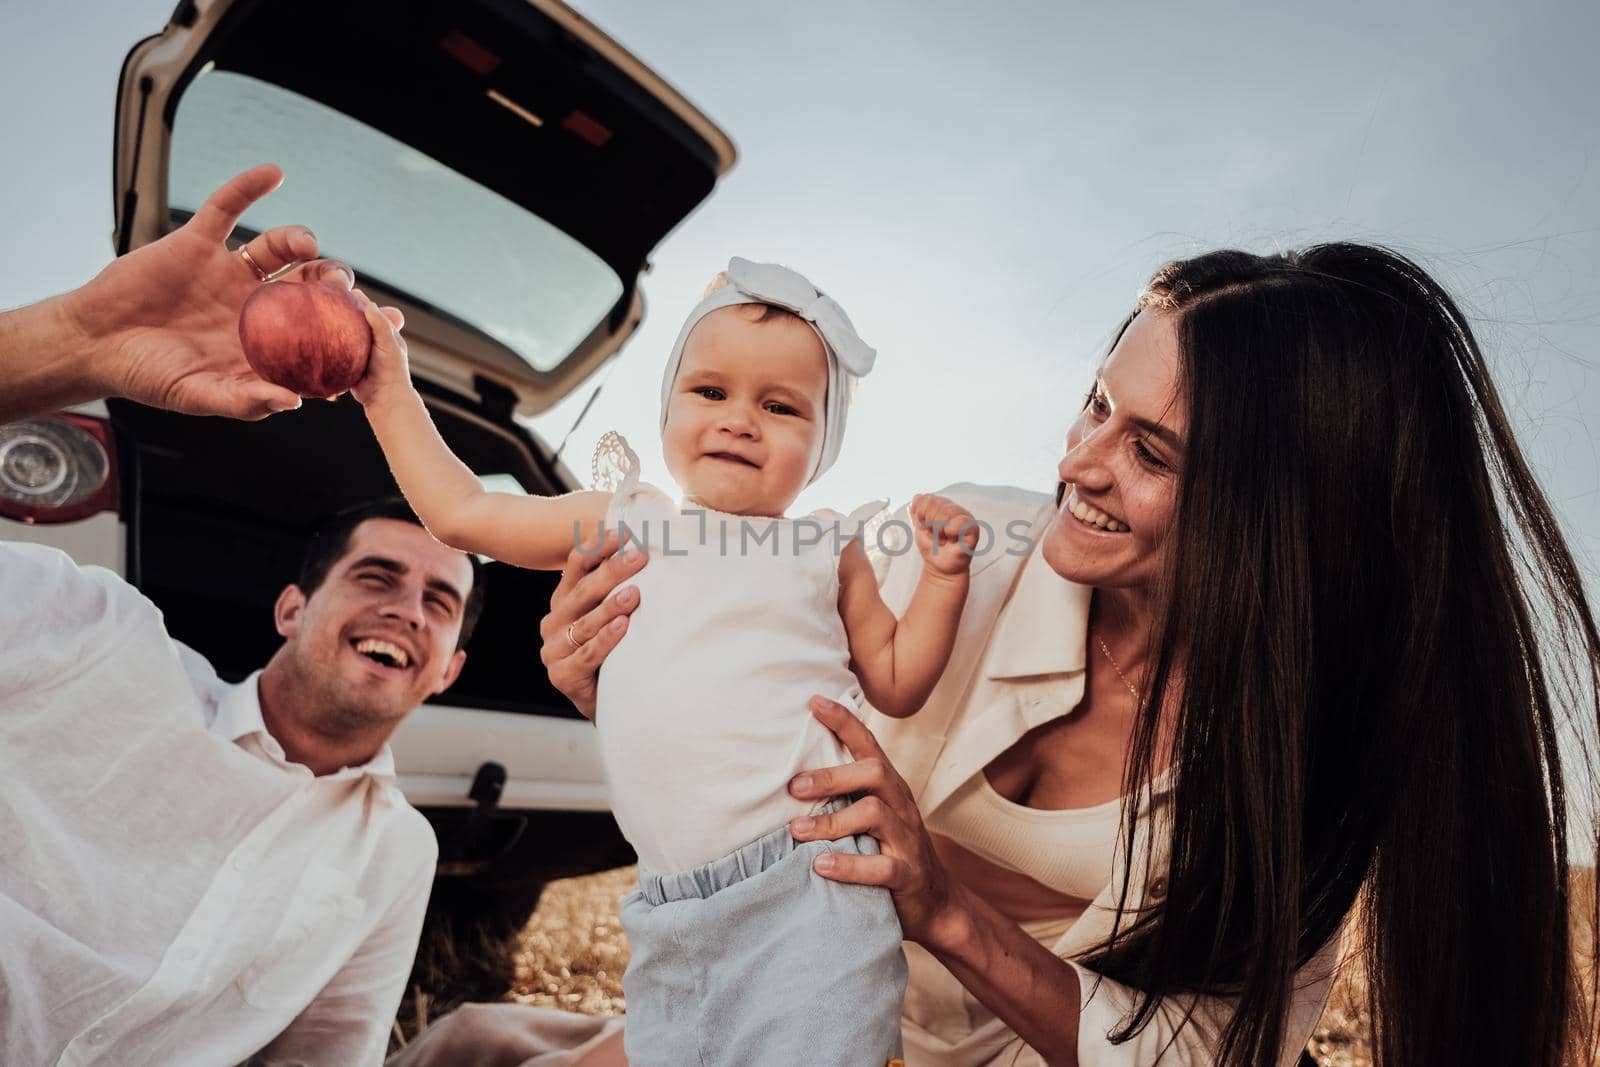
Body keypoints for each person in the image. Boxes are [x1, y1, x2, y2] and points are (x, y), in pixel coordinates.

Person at [538, 244, 1600, 1065]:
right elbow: (738, 684)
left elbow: (1193, 1050)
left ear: (1279, 519)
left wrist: (944, 903)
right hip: (789, 1005)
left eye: (1147, 452)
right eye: (1097, 403)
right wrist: (630, 672)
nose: (1075, 463)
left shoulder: (1303, 757)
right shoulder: (948, 547)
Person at [349, 255, 986, 1066]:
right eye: (710, 391)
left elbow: (897, 679)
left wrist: (943, 580)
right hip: (668, 901)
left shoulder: (826, 547)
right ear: (668, 406)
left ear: (822, 444)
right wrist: (388, 392)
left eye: (781, 405)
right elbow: (464, 510)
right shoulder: (624, 519)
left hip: (810, 881)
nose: (739, 419)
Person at [0, 165, 482, 1066]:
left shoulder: (398, 855)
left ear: (450, 666)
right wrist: (73, 341)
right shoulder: (92, 636)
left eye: (440, 601)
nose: (406, 609)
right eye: (375, 573)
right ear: (291, 605)